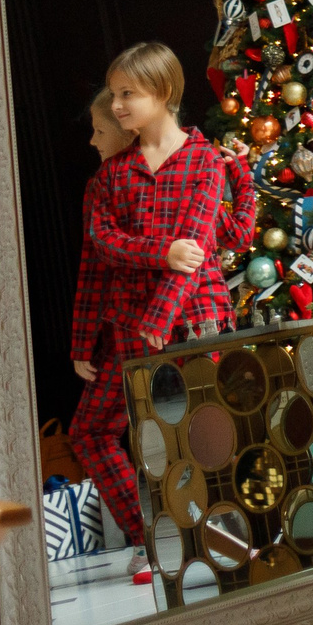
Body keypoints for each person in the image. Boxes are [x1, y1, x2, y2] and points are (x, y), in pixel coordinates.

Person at [70, 43, 252, 579]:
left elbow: (195, 249)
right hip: (129, 330)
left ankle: (233, 537)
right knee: (93, 431)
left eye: (129, 93)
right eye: (116, 93)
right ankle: (153, 534)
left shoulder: (202, 161)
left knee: (202, 434)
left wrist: (159, 318)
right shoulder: (109, 177)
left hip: (195, 319)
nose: (118, 104)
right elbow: (100, 248)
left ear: (163, 93)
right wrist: (85, 342)